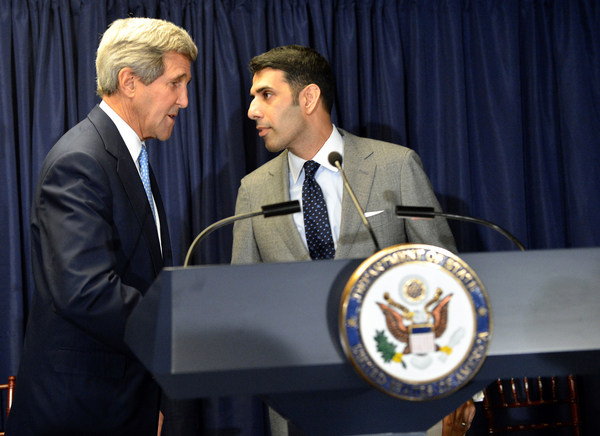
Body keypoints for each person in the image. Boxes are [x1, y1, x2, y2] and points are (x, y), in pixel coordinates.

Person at [231, 45, 475, 436]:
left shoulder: (395, 166)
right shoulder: (253, 190)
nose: (252, 111)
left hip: (398, 394)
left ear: (308, 97)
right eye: (253, 97)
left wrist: (458, 384)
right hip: (302, 405)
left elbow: (445, 274)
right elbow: (244, 297)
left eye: (266, 95)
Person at [6, 17, 197, 436]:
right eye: (175, 83)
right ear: (129, 81)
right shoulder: (81, 160)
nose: (184, 100)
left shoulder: (127, 156)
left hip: (124, 403)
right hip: (80, 413)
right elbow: (86, 291)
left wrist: (151, 399)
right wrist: (183, 326)